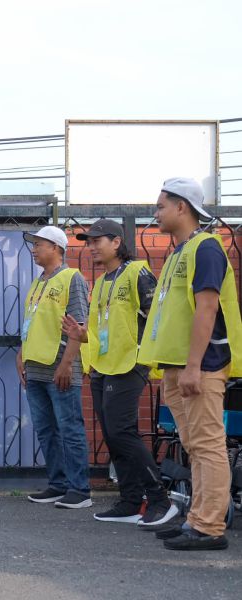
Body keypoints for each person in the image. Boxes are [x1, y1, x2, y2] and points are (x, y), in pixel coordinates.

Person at [138, 178, 242, 551]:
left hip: (201, 365)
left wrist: (194, 366)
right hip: (178, 366)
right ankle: (197, 519)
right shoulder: (180, 253)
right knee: (195, 445)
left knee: (208, 444)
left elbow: (207, 308)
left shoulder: (206, 248)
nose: (156, 212)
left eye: (161, 205)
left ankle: (209, 527)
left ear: (182, 207)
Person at [62, 219, 176, 526]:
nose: (92, 246)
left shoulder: (137, 272)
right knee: (113, 435)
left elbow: (156, 315)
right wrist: (82, 334)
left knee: (122, 431)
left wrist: (147, 356)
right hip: (103, 365)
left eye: (98, 240)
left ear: (117, 242)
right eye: (89, 241)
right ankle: (129, 501)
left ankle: (160, 500)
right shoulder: (100, 282)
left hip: (130, 363)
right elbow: (102, 327)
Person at [17, 225, 92, 509]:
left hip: (60, 368)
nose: (34, 249)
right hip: (35, 367)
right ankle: (58, 484)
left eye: (39, 244)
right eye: (34, 244)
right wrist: (22, 354)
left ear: (57, 248)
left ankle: (80, 490)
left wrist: (67, 363)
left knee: (70, 428)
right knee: (47, 430)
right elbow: (32, 322)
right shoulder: (39, 282)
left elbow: (78, 327)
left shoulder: (72, 279)